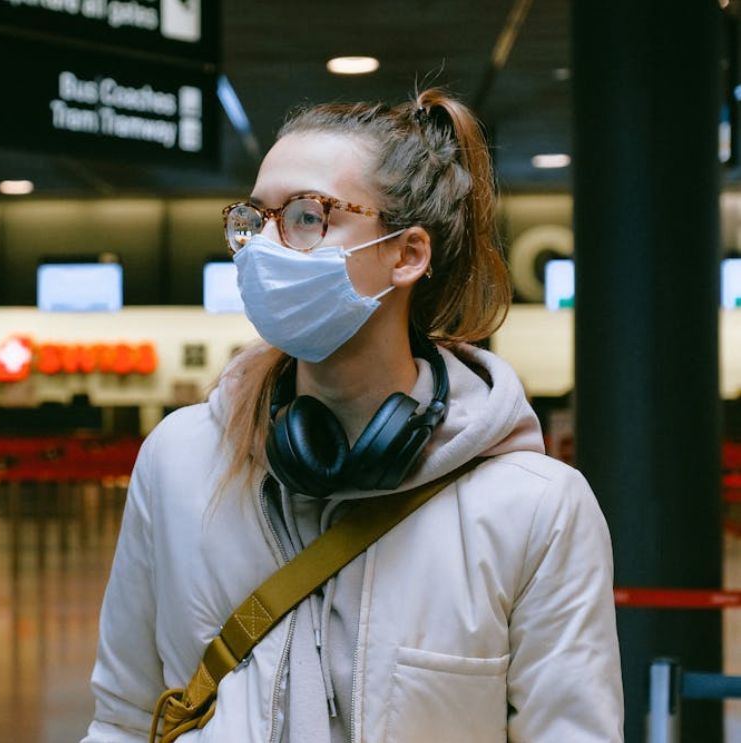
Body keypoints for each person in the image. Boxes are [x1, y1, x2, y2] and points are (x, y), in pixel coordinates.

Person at [82, 88, 622, 742]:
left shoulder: (534, 508)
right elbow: (121, 718)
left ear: (406, 253)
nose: (263, 248)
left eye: (308, 216)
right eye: (255, 217)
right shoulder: (179, 460)